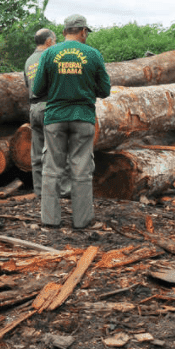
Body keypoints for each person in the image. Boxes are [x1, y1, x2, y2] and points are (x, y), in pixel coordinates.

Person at [32, 14, 111, 229]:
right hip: (83, 118)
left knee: (51, 169)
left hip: (55, 118)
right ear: (83, 31)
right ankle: (82, 221)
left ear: (65, 30)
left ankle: (49, 220)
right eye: (86, 32)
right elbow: (105, 90)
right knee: (82, 169)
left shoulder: (49, 54)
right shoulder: (93, 55)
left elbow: (36, 89)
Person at [24, 28, 71, 203]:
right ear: (49, 41)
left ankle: (40, 191)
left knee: (37, 154)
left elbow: (27, 86)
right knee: (60, 150)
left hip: (34, 108)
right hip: (51, 106)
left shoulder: (29, 61)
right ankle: (65, 192)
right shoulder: (52, 57)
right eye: (55, 40)